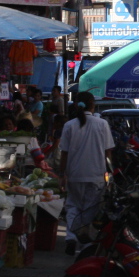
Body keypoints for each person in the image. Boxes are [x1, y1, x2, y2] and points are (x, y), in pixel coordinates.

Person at [59, 93, 114, 255]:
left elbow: (64, 153)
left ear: (76, 105)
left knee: (72, 206)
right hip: (96, 174)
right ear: (93, 106)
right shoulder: (102, 124)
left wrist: (62, 175)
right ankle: (85, 245)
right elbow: (108, 153)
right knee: (89, 209)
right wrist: (109, 175)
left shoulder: (69, 125)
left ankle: (71, 237)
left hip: (74, 174)